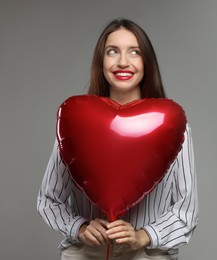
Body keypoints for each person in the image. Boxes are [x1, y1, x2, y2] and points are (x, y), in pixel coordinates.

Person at [37, 18, 198, 260]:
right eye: (113, 52)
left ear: (147, 63)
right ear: (101, 62)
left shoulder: (173, 126)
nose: (123, 62)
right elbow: (49, 200)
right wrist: (79, 228)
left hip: (146, 255)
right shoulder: (75, 123)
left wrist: (143, 236)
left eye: (135, 52)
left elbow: (187, 211)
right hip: (85, 254)